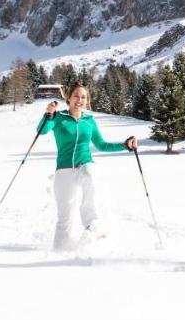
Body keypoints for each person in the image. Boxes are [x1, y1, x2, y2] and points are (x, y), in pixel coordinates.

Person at [41, 84, 137, 249]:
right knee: (65, 217)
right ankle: (60, 251)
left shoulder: (89, 121)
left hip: (85, 163)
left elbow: (102, 145)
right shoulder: (58, 118)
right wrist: (48, 115)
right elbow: (42, 131)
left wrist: (125, 145)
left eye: (83, 97)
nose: (80, 100)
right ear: (69, 98)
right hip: (64, 169)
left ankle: (92, 227)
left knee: (90, 174)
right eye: (76, 96)